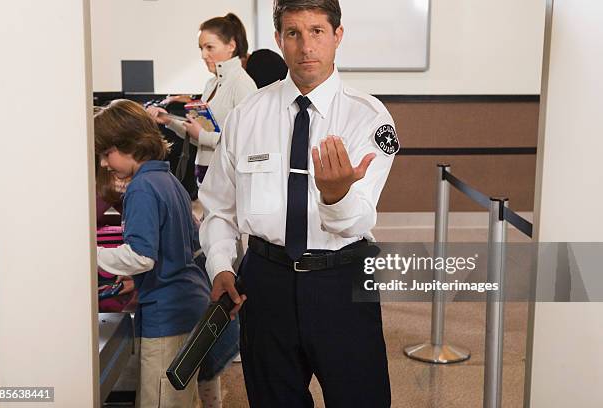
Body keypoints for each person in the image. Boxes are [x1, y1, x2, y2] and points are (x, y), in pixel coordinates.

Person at [199, 0, 399, 406]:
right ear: (279, 39)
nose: (306, 46)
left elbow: (359, 218)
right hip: (264, 283)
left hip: (341, 281)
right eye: (293, 33)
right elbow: (219, 208)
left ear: (337, 36)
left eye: (317, 32)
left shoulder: (370, 118)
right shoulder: (247, 115)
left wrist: (336, 194)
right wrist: (220, 265)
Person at [94, 99, 216, 408]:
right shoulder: (167, 179)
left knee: (160, 400)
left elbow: (141, 256)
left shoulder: (141, 188)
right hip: (189, 304)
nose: (105, 164)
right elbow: (180, 245)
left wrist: (85, 254)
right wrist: (138, 281)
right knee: (179, 397)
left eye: (107, 154)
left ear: (130, 145)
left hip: (168, 314)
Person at [147, 13, 257, 186]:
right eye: (201, 48)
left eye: (209, 47)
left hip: (228, 176)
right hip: (205, 171)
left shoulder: (242, 84)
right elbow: (198, 134)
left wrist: (203, 136)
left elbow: (246, 142)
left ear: (231, 46)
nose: (203, 55)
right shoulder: (211, 84)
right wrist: (168, 120)